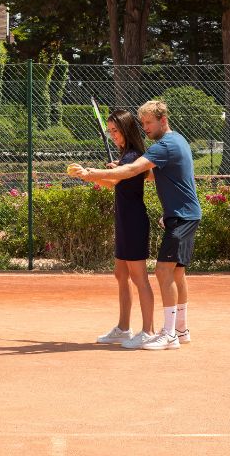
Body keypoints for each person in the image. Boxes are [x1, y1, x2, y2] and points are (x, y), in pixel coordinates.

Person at [76, 100, 202, 350]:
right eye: (142, 123)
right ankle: (181, 329)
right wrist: (115, 171)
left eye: (148, 123)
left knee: (163, 272)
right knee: (176, 272)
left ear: (163, 120)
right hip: (181, 215)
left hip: (180, 216)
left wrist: (94, 173)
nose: (144, 127)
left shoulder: (163, 145)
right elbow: (149, 173)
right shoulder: (178, 141)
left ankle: (168, 334)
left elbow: (133, 170)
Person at [68, 110, 155, 349]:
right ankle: (124, 329)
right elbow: (113, 183)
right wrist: (87, 177)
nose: (113, 135)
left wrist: (91, 173)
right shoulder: (126, 157)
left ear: (126, 129)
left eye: (115, 130)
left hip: (134, 221)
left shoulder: (134, 157)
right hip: (124, 221)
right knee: (121, 274)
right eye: (110, 131)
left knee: (139, 278)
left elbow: (117, 178)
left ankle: (148, 331)